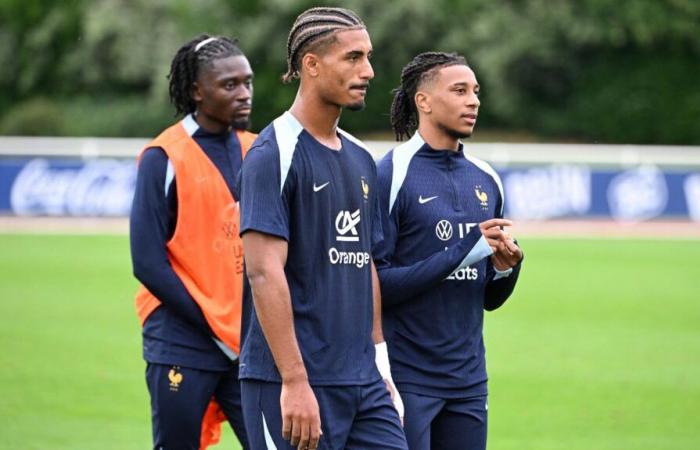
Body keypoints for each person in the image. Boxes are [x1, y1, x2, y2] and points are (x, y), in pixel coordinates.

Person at [237, 7, 407, 450]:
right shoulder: (274, 153)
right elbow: (263, 271)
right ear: (311, 64)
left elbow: (364, 263)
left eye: (368, 57)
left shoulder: (361, 158)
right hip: (294, 381)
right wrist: (294, 382)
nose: (368, 71)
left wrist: (381, 366)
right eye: (353, 58)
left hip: (362, 383)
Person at [374, 52, 524, 450]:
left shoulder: (486, 178)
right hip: (407, 378)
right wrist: (464, 251)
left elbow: (489, 297)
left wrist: (507, 269)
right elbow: (376, 284)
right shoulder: (389, 174)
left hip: (469, 381)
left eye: (476, 91)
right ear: (423, 101)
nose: (473, 100)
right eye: (459, 91)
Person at [129, 34, 256, 450]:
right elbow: (147, 263)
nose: (244, 94)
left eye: (247, 82)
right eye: (229, 85)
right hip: (182, 337)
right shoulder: (162, 157)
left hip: (247, 342)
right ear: (197, 91)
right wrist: (213, 326)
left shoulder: (257, 151)